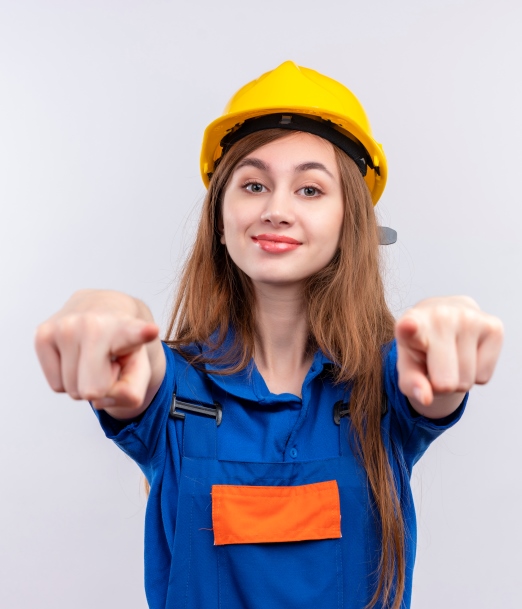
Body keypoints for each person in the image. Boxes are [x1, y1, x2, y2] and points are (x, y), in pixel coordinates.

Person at [35, 61, 503, 609]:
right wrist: (109, 312)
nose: (276, 210)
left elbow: (429, 377)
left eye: (309, 189)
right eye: (254, 184)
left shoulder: (390, 384)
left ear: (350, 220)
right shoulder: (170, 393)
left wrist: (449, 320)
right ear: (220, 216)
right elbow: (137, 369)